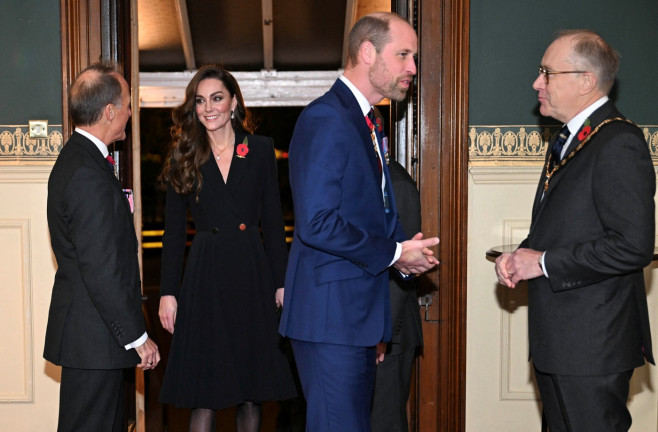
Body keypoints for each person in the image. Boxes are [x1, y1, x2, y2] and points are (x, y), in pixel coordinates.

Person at [278, 12, 439, 432]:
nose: (412, 69)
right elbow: (317, 222)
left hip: (354, 319)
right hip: (330, 318)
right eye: (403, 55)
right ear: (367, 52)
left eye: (414, 57)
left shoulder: (366, 119)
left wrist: (403, 255)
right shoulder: (327, 118)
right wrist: (394, 253)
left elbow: (371, 212)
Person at [494, 30, 655, 432]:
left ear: (586, 81)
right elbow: (567, 225)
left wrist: (543, 263)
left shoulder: (618, 141)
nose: (536, 83)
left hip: (592, 347)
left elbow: (633, 246)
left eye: (546, 73)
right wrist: (523, 254)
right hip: (563, 345)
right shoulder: (571, 139)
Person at [158, 65, 297, 432]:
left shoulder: (261, 149)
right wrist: (168, 292)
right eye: (201, 101)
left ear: (233, 101)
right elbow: (173, 234)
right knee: (204, 394)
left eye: (217, 98)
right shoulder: (183, 154)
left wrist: (281, 282)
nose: (209, 108)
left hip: (251, 274)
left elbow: (272, 222)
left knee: (250, 393)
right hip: (205, 276)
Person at [44, 62, 160, 432]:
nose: (130, 110)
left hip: (94, 338)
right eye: (127, 103)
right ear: (109, 111)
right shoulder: (86, 173)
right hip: (93, 339)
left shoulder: (81, 160)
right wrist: (139, 337)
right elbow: (101, 268)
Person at [371, 159, 424, 432]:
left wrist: (383, 333)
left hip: (390, 335)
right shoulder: (369, 177)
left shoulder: (396, 183)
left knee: (385, 423)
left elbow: (402, 269)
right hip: (371, 331)